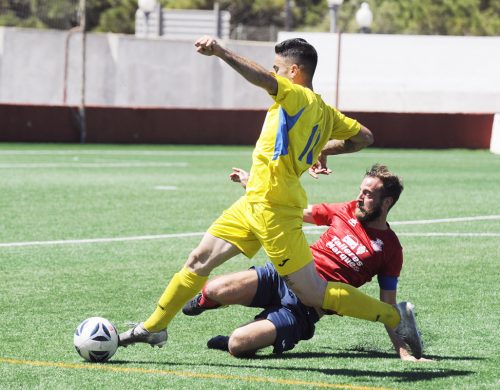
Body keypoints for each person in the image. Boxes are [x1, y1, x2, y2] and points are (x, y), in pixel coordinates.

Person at [119, 36, 422, 359]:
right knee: (198, 261)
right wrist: (323, 148)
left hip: (276, 208)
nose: (273, 73)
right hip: (253, 201)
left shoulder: (296, 95)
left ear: (293, 71)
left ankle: (393, 316)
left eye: (278, 68)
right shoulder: (324, 110)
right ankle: (154, 327)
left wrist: (221, 52)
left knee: (314, 293)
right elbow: (364, 137)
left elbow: (263, 79)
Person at [182, 165, 426, 361]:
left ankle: (249, 334)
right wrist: (252, 188)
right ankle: (207, 302)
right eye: (361, 191)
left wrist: (403, 351)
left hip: (306, 308)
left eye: (368, 194)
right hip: (285, 274)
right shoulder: (347, 210)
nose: (359, 198)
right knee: (213, 289)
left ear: (386, 203)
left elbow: (389, 305)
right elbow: (294, 211)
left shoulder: (391, 250)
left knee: (237, 344)